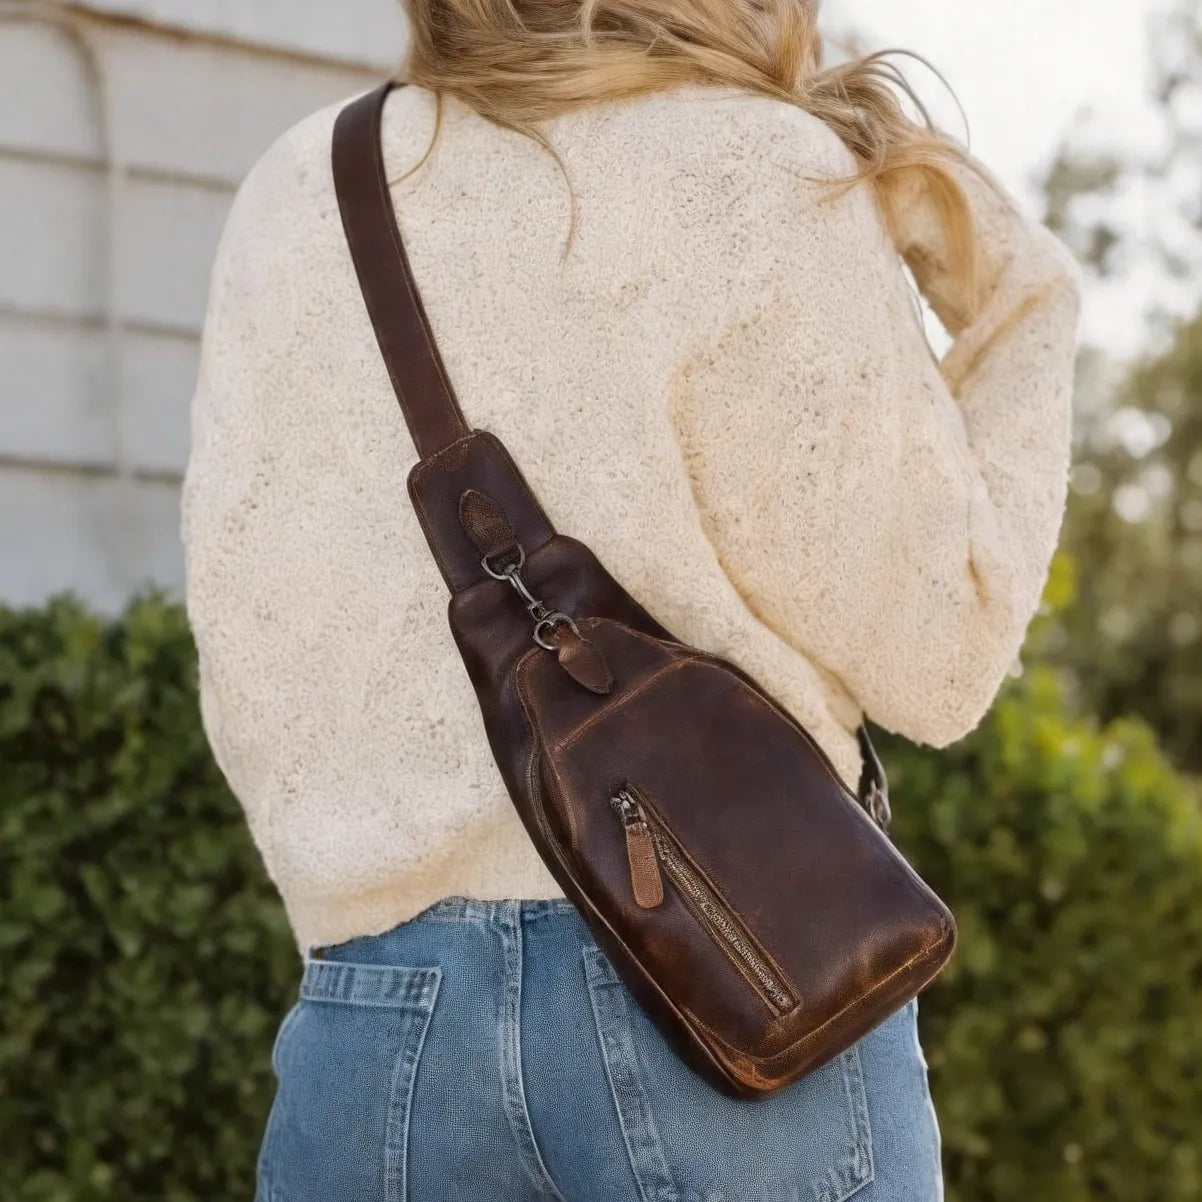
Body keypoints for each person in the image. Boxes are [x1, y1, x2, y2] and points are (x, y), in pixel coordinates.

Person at [181, 2, 1082, 1199]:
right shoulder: (751, 169)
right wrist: (1024, 302)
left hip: (376, 1029)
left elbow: (250, 651)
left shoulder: (303, 188)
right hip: (744, 987)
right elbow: (943, 657)